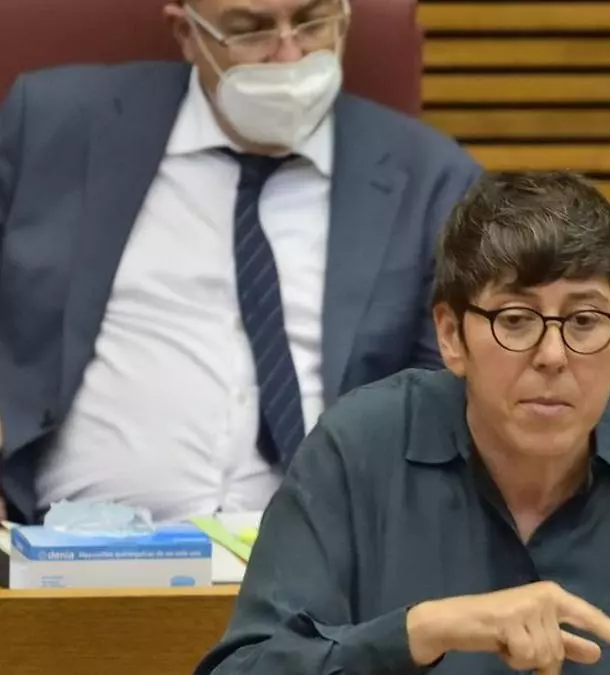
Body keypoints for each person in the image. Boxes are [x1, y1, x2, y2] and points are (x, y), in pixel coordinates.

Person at [194, 171, 610, 675]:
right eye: (515, 319)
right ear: (451, 336)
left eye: (585, 321)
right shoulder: (357, 456)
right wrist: (420, 631)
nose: (553, 356)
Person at [0, 0, 481, 523]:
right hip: (72, 547)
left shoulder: (432, 180)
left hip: (323, 552)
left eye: (313, 21)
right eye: (250, 30)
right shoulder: (54, 126)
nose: (289, 55)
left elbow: (449, 398)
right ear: (187, 33)